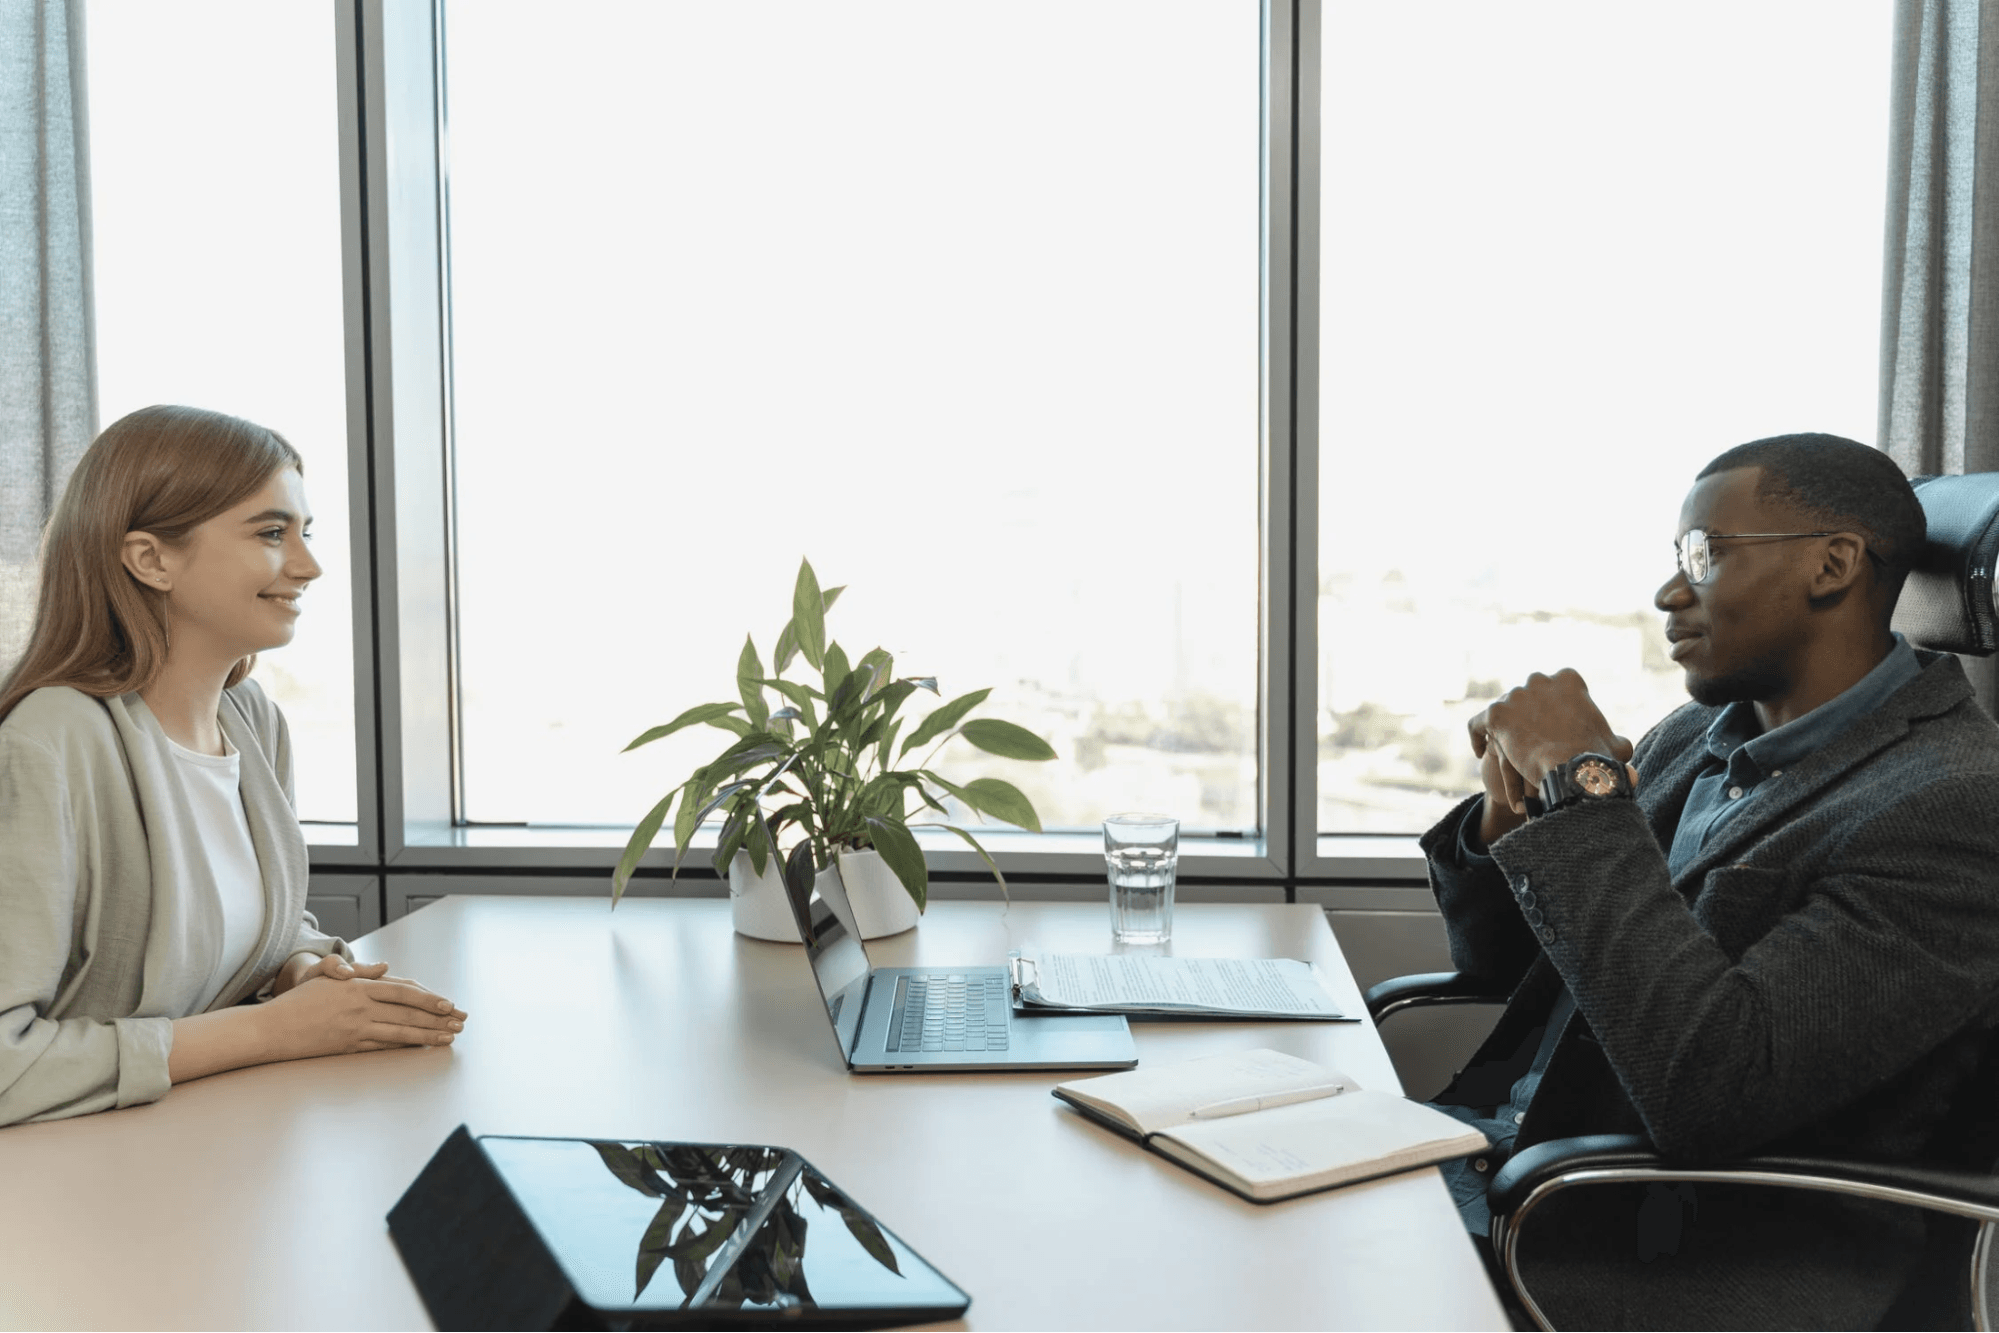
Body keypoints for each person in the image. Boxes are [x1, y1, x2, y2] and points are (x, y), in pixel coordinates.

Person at [1421, 433, 1999, 1329]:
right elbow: (1495, 963)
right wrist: (1513, 810)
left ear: (1832, 564)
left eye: (1705, 553)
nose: (1668, 591)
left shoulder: (1952, 806)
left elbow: (1715, 1086)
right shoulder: (1696, 737)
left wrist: (1582, 788)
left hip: (1640, 1243)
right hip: (1498, 1156)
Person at [0, 405, 467, 1128]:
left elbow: (244, 931)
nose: (308, 565)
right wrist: (273, 1030)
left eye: (304, 533)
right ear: (151, 558)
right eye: (271, 533)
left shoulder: (250, 721)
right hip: (67, 1194)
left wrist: (300, 967)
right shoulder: (48, 742)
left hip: (206, 1155)